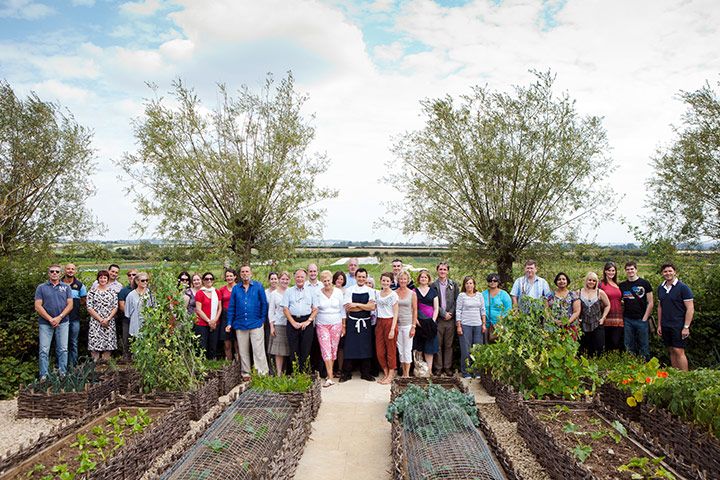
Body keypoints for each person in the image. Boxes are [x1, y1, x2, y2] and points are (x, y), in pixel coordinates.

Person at [226, 265, 269, 379]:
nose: (245, 273)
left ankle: (262, 374)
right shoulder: (236, 289)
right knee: (243, 351)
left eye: (247, 271)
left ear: (251, 273)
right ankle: (246, 374)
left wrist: (262, 320)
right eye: (243, 272)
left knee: (258, 350)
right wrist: (230, 322)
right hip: (240, 324)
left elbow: (264, 304)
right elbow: (232, 307)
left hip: (256, 323)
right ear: (240, 275)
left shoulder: (258, 286)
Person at [35, 264, 73, 377]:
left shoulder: (66, 287)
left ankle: (63, 373)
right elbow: (38, 306)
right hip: (45, 323)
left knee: (63, 349)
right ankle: (44, 375)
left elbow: (70, 305)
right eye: (52, 271)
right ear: (48, 273)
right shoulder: (41, 288)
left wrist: (59, 317)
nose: (54, 273)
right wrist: (50, 319)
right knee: (43, 350)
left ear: (61, 273)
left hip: (63, 321)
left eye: (57, 271)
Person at [340, 268, 377, 382]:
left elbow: (372, 307)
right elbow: (348, 308)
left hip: (365, 322)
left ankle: (365, 373)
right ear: (355, 277)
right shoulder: (350, 290)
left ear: (366, 278)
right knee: (350, 347)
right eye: (359, 277)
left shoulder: (370, 291)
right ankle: (346, 373)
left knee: (366, 347)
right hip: (352, 322)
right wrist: (364, 306)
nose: (361, 279)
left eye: (363, 277)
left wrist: (355, 304)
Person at [656, 263, 694, 371]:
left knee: (679, 350)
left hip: (678, 324)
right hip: (666, 324)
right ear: (662, 273)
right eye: (665, 271)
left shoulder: (683, 288)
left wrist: (686, 326)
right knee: (671, 349)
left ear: (674, 272)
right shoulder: (661, 288)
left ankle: (684, 377)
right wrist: (659, 325)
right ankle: (675, 375)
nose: (668, 273)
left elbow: (690, 308)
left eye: (670, 271)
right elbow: (660, 307)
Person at [281, 269, 318, 372]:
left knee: (305, 351)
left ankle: (305, 375)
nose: (300, 279)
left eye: (302, 277)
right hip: (292, 322)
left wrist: (308, 321)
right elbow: (285, 308)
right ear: (294, 278)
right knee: (294, 351)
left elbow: (316, 309)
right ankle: (295, 374)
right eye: (298, 277)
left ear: (305, 279)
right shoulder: (289, 291)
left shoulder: (311, 291)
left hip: (307, 322)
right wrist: (293, 322)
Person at [314, 270, 344, 387]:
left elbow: (342, 310)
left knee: (333, 350)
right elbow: (315, 308)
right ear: (321, 281)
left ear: (332, 280)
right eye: (324, 281)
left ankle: (329, 375)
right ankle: (330, 376)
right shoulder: (317, 293)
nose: (327, 283)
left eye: (328, 280)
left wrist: (344, 325)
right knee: (325, 349)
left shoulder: (338, 292)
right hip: (322, 324)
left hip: (336, 323)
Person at [620, 261, 654, 361]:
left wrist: (645, 318)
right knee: (629, 345)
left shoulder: (645, 283)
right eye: (628, 269)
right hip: (627, 319)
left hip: (641, 319)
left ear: (636, 270)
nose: (630, 271)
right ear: (625, 271)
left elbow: (651, 302)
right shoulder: (623, 285)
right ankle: (631, 365)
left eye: (632, 269)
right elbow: (620, 300)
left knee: (644, 345)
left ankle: (646, 367)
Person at [430, 262, 458, 376]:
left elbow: (457, 300)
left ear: (448, 271)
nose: (442, 271)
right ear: (437, 271)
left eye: (444, 269)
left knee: (448, 345)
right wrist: (443, 313)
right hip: (439, 318)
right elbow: (432, 302)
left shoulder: (453, 284)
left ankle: (448, 367)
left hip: (450, 319)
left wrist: (450, 313)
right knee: (438, 344)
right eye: (440, 269)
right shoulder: (433, 285)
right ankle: (438, 367)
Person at [456, 276, 486, 378]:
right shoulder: (462, 296)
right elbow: (458, 311)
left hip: (477, 325)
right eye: (467, 283)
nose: (469, 285)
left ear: (474, 285)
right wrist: (459, 325)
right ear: (464, 285)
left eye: (471, 283)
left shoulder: (479, 295)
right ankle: (466, 372)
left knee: (477, 350)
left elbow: (483, 310)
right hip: (465, 325)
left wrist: (483, 323)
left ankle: (476, 371)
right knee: (466, 350)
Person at [86, 270, 118, 362]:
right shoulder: (92, 292)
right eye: (101, 278)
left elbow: (115, 307)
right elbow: (89, 308)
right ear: (98, 279)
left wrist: (107, 319)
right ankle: (95, 364)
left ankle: (106, 365)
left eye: (105, 278)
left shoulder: (112, 292)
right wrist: (100, 320)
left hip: (109, 321)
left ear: (107, 279)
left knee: (108, 344)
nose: (103, 280)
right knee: (95, 344)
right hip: (96, 322)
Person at [413, 269, 439, 375]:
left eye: (425, 277)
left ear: (428, 279)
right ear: (419, 279)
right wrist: (416, 321)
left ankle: (429, 371)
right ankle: (420, 370)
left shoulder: (433, 292)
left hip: (430, 323)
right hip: (419, 322)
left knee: (430, 348)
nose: (423, 279)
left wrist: (433, 320)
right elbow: (413, 308)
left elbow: (436, 307)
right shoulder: (414, 291)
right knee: (419, 348)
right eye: (422, 277)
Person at [578, 272, 611, 357]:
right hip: (583, 323)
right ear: (586, 281)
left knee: (599, 346)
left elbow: (608, 305)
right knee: (584, 347)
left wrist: (603, 317)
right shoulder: (579, 292)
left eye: (594, 281)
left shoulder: (600, 292)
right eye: (589, 280)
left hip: (597, 322)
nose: (591, 282)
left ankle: (598, 364)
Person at [375, 272, 399, 384]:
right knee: (380, 351)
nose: (385, 282)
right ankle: (385, 372)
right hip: (379, 322)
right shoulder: (377, 293)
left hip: (390, 322)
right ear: (380, 281)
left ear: (391, 282)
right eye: (383, 280)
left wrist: (392, 329)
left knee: (391, 350)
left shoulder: (393, 295)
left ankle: (391, 374)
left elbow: (396, 313)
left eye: (387, 281)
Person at [61, 263, 86, 368]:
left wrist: (73, 306)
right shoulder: (58, 284)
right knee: (62, 344)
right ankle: (62, 366)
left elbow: (84, 300)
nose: (70, 271)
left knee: (73, 343)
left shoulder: (79, 285)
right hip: (61, 319)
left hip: (75, 318)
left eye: (72, 269)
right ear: (64, 271)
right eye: (68, 269)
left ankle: (73, 366)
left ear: (75, 271)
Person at [268, 271, 291, 375]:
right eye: (282, 279)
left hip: (291, 323)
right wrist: (272, 326)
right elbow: (271, 311)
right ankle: (279, 372)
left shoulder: (292, 291)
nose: (284, 281)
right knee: (279, 351)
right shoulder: (274, 294)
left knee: (289, 349)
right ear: (279, 280)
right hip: (279, 324)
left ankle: (289, 371)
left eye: (286, 279)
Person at [195, 272, 221, 360]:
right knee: (202, 346)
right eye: (206, 279)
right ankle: (201, 366)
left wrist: (214, 320)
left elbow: (219, 308)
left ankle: (212, 364)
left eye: (211, 278)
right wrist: (209, 321)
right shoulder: (200, 293)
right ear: (203, 281)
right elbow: (198, 309)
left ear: (213, 280)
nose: (209, 280)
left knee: (213, 346)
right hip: (202, 323)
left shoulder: (217, 292)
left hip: (215, 322)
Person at [395, 270, 417, 377]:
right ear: (398, 280)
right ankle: (403, 371)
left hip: (408, 324)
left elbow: (415, 310)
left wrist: (413, 326)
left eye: (405, 279)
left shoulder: (412, 294)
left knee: (407, 349)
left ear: (408, 280)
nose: (402, 281)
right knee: (400, 349)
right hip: (397, 324)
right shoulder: (394, 293)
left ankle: (407, 374)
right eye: (401, 279)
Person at [481, 273, 512, 344]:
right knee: (486, 345)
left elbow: (508, 308)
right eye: (490, 280)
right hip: (486, 325)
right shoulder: (483, 294)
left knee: (500, 345)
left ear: (498, 282)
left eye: (495, 281)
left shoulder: (504, 294)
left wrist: (500, 321)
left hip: (500, 325)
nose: (492, 282)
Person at [600, 262, 624, 351]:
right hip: (606, 316)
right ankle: (605, 361)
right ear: (605, 271)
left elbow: (616, 299)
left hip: (618, 316)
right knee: (606, 341)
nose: (611, 272)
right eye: (609, 270)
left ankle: (613, 361)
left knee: (615, 341)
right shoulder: (600, 284)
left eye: (613, 270)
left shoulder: (617, 285)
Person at [125, 272, 155, 337]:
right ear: (136, 281)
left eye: (146, 280)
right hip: (136, 327)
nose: (145, 282)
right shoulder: (131, 295)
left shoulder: (151, 294)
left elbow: (155, 308)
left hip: (149, 326)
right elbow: (128, 313)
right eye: (142, 280)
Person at [118, 268, 138, 360]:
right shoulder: (124, 291)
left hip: (140, 320)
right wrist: (130, 316)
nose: (131, 277)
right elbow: (122, 305)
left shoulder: (145, 290)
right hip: (127, 320)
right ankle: (126, 360)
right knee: (126, 340)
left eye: (134, 275)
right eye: (129, 275)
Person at [218, 269, 238, 361]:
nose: (229, 278)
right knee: (227, 345)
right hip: (225, 316)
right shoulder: (222, 289)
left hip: (237, 315)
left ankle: (239, 363)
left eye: (231, 276)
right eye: (227, 276)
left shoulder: (239, 288)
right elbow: (219, 304)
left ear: (235, 277)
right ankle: (229, 364)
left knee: (237, 343)